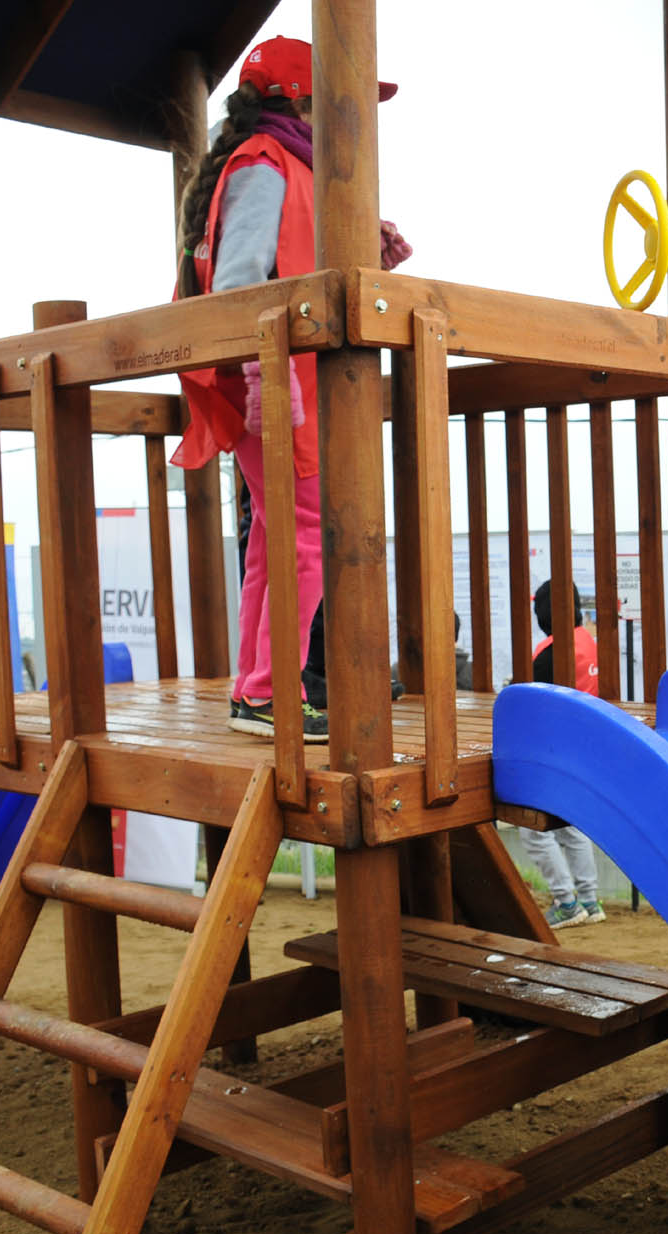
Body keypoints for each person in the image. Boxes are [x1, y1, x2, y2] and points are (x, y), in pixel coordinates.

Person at [170, 35, 406, 741]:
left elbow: (280, 264)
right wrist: (263, 378)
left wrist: (372, 252)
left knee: (274, 539)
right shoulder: (269, 164)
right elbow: (241, 280)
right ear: (304, 98)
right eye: (342, 104)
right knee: (306, 537)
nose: (354, 119)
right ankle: (269, 692)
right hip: (269, 379)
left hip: (267, 376)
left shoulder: (280, 163)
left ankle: (255, 689)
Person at [521, 578, 606, 926]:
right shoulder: (589, 642)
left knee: (532, 831)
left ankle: (567, 903)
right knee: (571, 827)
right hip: (586, 751)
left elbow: (533, 708)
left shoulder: (548, 653)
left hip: (551, 752)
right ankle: (590, 900)